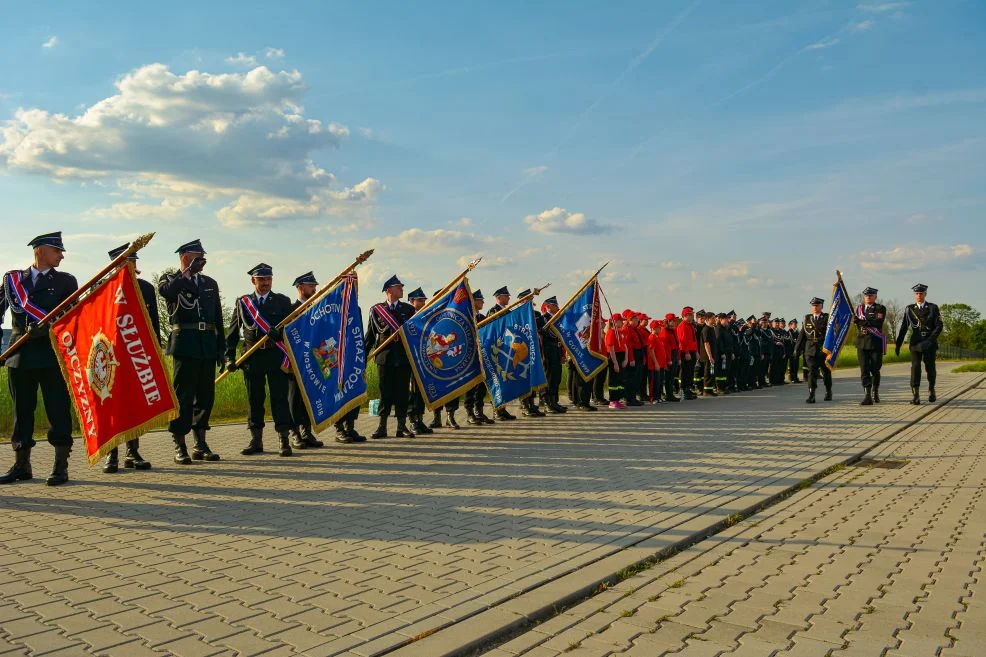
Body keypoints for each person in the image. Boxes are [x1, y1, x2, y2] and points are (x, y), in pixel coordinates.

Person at [0, 232, 78, 486]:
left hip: (52, 354)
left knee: (57, 409)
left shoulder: (66, 281)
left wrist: (47, 329)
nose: (62, 255)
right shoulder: (13, 280)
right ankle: (22, 465)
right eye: (57, 251)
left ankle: (60, 466)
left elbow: (73, 316)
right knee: (22, 411)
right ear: (40, 251)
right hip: (19, 354)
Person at [158, 239, 223, 464]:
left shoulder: (209, 282)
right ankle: (179, 443)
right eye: (196, 256)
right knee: (183, 396)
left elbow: (217, 318)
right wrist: (186, 273)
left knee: (205, 396)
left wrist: (221, 349)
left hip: (207, 344)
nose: (201, 261)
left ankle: (200, 442)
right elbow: (166, 292)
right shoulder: (171, 279)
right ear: (184, 257)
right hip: (185, 344)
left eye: (202, 256)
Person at [226, 263, 296, 457]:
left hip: (275, 356)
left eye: (269, 279)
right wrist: (229, 357)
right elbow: (233, 331)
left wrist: (279, 332)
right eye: (262, 279)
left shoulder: (282, 301)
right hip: (252, 357)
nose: (266, 283)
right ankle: (256, 440)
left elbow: (291, 329)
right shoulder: (243, 302)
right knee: (254, 400)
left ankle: (283, 440)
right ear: (253, 281)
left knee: (279, 399)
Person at [103, 243, 160, 473]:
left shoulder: (145, 288)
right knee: (112, 406)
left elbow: (153, 323)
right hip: (110, 356)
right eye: (127, 262)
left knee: (135, 404)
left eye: (134, 262)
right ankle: (111, 453)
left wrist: (154, 351)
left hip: (137, 356)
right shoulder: (102, 287)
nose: (132, 266)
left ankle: (132, 451)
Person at [366, 275, 416, 438]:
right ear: (388, 290)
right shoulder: (376, 310)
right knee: (384, 392)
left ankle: (401, 426)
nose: (401, 289)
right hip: (384, 358)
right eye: (398, 287)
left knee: (402, 393)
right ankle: (382, 426)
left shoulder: (408, 309)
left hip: (403, 358)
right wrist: (362, 357)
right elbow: (371, 336)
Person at [287, 271, 326, 448]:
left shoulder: (316, 309)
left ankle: (306, 431)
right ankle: (294, 432)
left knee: (309, 397)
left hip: (312, 360)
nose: (315, 289)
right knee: (294, 398)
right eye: (311, 286)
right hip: (295, 361)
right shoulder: (290, 309)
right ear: (301, 287)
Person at [895, 283, 943, 405]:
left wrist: (930, 340)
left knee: (930, 368)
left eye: (921, 293)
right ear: (914, 295)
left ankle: (931, 388)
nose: (919, 295)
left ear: (925, 294)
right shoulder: (909, 309)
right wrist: (898, 344)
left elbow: (939, 326)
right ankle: (916, 395)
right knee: (915, 368)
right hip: (916, 343)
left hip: (929, 342)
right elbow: (904, 327)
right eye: (916, 293)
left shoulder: (933, 308)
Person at [404, 287, 435, 435]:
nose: (423, 302)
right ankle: (412, 421)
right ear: (411, 301)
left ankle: (420, 419)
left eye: (423, 300)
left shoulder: (425, 317)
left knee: (421, 392)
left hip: (423, 360)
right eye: (420, 300)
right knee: (412, 391)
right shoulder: (407, 317)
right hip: (410, 360)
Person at [487, 287, 518, 421]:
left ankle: (503, 409)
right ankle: (496, 410)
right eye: (506, 296)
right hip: (497, 351)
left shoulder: (508, 312)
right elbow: (490, 330)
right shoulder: (493, 312)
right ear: (499, 297)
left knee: (504, 381)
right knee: (497, 381)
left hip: (507, 351)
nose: (509, 298)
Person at [795, 298, 833, 403]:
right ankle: (812, 394)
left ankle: (828, 391)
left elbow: (831, 334)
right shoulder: (807, 318)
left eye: (817, 305)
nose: (815, 307)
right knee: (812, 372)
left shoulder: (827, 318)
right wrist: (797, 349)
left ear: (821, 306)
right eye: (813, 306)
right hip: (810, 349)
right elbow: (802, 335)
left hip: (823, 349)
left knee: (826, 372)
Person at [465, 289, 495, 425]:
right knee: (471, 385)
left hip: (482, 356)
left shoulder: (482, 318)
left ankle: (479, 410)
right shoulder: (467, 317)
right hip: (470, 356)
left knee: (482, 385)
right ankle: (469, 412)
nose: (483, 302)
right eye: (480, 300)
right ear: (473, 301)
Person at [855, 287, 887, 406]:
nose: (868, 297)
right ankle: (867, 395)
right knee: (864, 370)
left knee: (875, 369)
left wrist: (861, 321)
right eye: (866, 295)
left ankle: (875, 390)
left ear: (875, 296)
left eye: (871, 295)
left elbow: (877, 323)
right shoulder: (859, 309)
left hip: (874, 342)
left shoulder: (880, 308)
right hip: (861, 342)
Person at [539, 296, 567, 413]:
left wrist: (561, 354)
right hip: (547, 350)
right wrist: (544, 328)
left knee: (556, 376)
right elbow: (539, 332)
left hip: (556, 349)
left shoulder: (557, 319)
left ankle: (554, 401)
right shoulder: (542, 319)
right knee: (548, 376)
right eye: (555, 306)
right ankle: (546, 402)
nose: (557, 308)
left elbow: (559, 338)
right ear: (548, 306)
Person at [620, 310, 642, 406]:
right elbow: (628, 346)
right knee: (631, 379)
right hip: (632, 356)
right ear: (630, 320)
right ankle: (630, 399)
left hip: (637, 354)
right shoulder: (627, 330)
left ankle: (632, 397)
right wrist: (631, 359)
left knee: (635, 378)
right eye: (636, 319)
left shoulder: (634, 329)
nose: (638, 321)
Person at [605, 314, 627, 408]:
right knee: (614, 380)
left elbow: (625, 346)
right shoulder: (611, 332)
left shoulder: (619, 332)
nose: (622, 322)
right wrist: (615, 363)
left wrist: (626, 359)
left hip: (621, 357)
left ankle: (618, 399)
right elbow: (611, 348)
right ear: (615, 321)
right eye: (620, 320)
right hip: (615, 357)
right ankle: (612, 400)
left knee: (619, 380)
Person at [676, 307, 698, 400]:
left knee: (690, 372)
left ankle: (688, 388)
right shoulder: (682, 326)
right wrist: (686, 352)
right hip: (686, 352)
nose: (692, 316)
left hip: (692, 351)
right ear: (685, 315)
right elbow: (682, 341)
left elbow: (694, 340)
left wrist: (696, 351)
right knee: (685, 371)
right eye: (690, 315)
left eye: (692, 315)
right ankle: (684, 389)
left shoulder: (691, 326)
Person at [647, 320, 669, 403]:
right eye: (658, 328)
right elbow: (651, 351)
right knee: (654, 382)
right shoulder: (651, 337)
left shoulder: (658, 337)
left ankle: (658, 397)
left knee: (659, 382)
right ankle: (653, 398)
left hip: (661, 364)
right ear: (653, 328)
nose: (660, 329)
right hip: (654, 365)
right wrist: (656, 363)